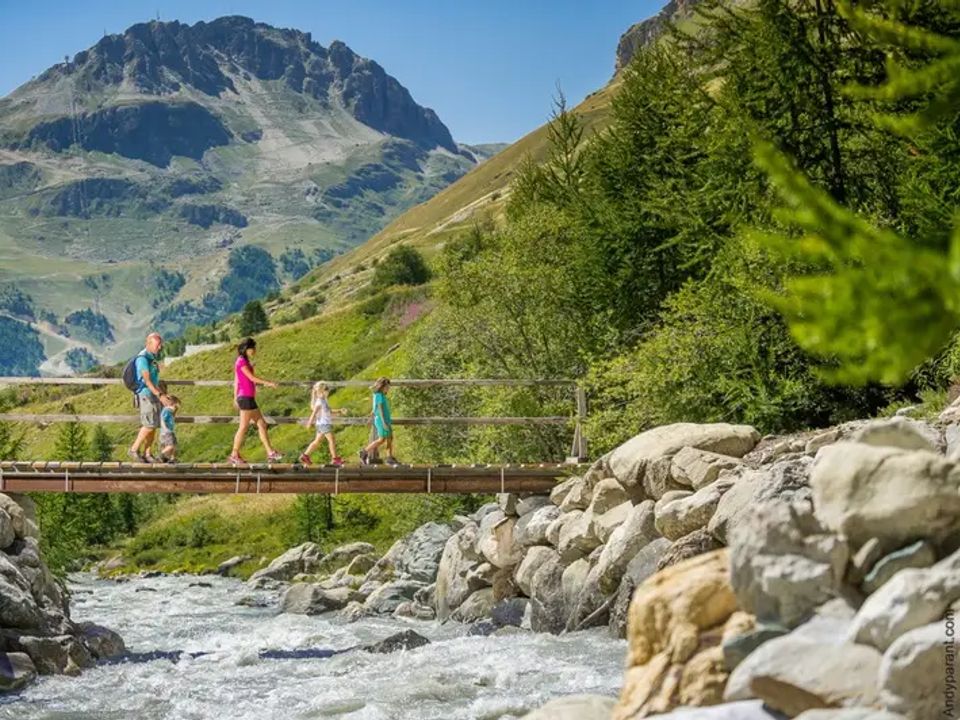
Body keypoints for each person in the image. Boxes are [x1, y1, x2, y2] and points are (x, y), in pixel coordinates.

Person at [229, 337, 283, 465]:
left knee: (262, 424)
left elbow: (237, 380)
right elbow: (251, 378)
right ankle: (234, 454)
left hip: (247, 397)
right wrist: (268, 383)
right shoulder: (241, 361)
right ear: (246, 349)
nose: (254, 351)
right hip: (246, 398)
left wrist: (235, 397)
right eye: (253, 348)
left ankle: (270, 452)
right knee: (244, 427)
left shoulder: (243, 361)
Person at [128, 332, 167, 463]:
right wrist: (160, 395)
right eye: (157, 345)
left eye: (160, 344)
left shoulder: (151, 358)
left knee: (154, 424)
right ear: (148, 343)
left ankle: (147, 453)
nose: (160, 347)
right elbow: (147, 380)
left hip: (153, 394)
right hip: (146, 394)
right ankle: (134, 449)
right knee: (149, 424)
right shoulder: (143, 359)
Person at [299, 382, 348, 466]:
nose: (328, 393)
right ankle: (335, 459)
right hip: (324, 424)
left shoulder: (324, 400)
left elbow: (328, 411)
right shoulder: (320, 402)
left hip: (321, 424)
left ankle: (305, 455)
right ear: (321, 392)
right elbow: (314, 413)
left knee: (317, 441)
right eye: (326, 391)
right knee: (331, 440)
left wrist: (339, 411)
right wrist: (309, 423)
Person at [358, 377, 399, 466]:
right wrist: (384, 423)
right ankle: (365, 452)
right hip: (382, 420)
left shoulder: (379, 395)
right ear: (381, 386)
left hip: (384, 419)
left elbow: (374, 408)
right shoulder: (379, 395)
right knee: (382, 439)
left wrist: (371, 415)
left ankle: (389, 457)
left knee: (389, 438)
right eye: (387, 387)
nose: (388, 389)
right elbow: (379, 409)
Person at [159, 394, 181, 463]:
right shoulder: (167, 411)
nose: (176, 408)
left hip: (170, 431)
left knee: (174, 445)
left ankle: (172, 458)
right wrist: (165, 428)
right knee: (171, 445)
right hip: (167, 432)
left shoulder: (169, 411)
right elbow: (163, 419)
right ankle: (161, 455)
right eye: (176, 406)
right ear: (172, 404)